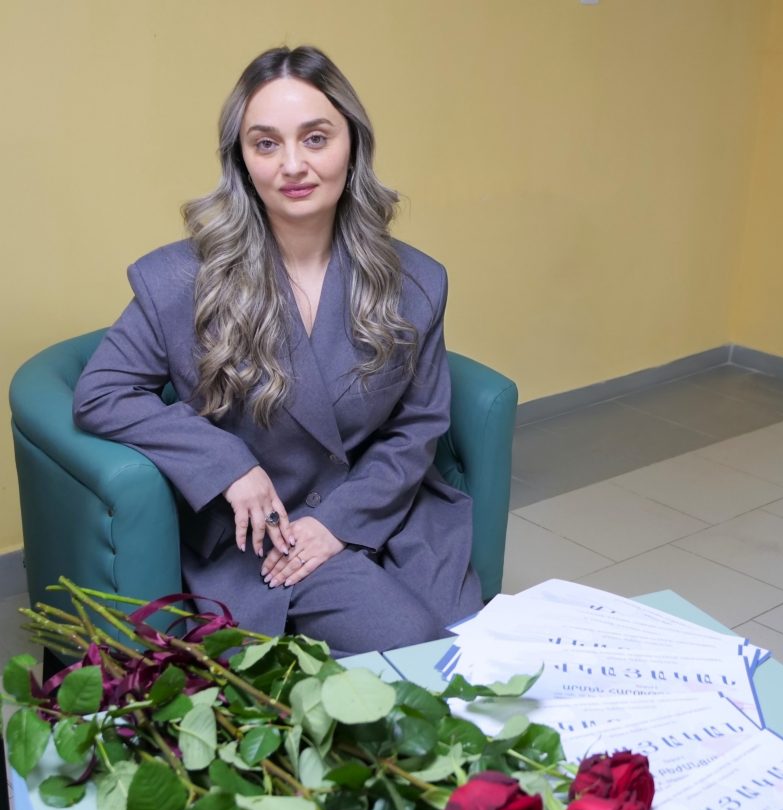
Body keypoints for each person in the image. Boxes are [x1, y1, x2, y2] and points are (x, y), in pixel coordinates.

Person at [73, 44, 482, 656]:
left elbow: (417, 427)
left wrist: (339, 521)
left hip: (385, 508)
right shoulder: (180, 280)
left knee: (474, 652)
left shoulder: (418, 280)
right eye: (266, 144)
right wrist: (226, 463)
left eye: (316, 138)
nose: (293, 165)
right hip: (270, 536)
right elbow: (101, 394)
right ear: (241, 160)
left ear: (353, 145)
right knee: (415, 649)